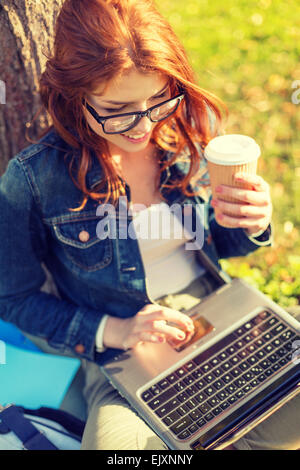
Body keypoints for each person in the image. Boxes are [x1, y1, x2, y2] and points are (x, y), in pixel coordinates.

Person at [0, 0, 299, 451]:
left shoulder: (191, 130)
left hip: (224, 313)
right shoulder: (33, 180)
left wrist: (252, 221)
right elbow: (13, 298)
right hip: (126, 353)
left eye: (158, 98)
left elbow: (227, 245)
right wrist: (114, 331)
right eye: (119, 109)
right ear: (74, 93)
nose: (143, 126)